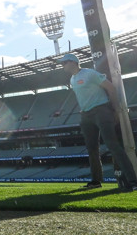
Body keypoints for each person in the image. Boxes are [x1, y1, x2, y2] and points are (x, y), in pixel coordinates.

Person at [58, 53, 137, 191]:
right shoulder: (72, 79)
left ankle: (133, 180)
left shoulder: (89, 73)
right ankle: (96, 180)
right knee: (92, 149)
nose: (62, 65)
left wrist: (116, 109)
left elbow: (111, 88)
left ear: (73, 62)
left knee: (113, 145)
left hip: (101, 111)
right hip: (86, 115)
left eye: (64, 63)